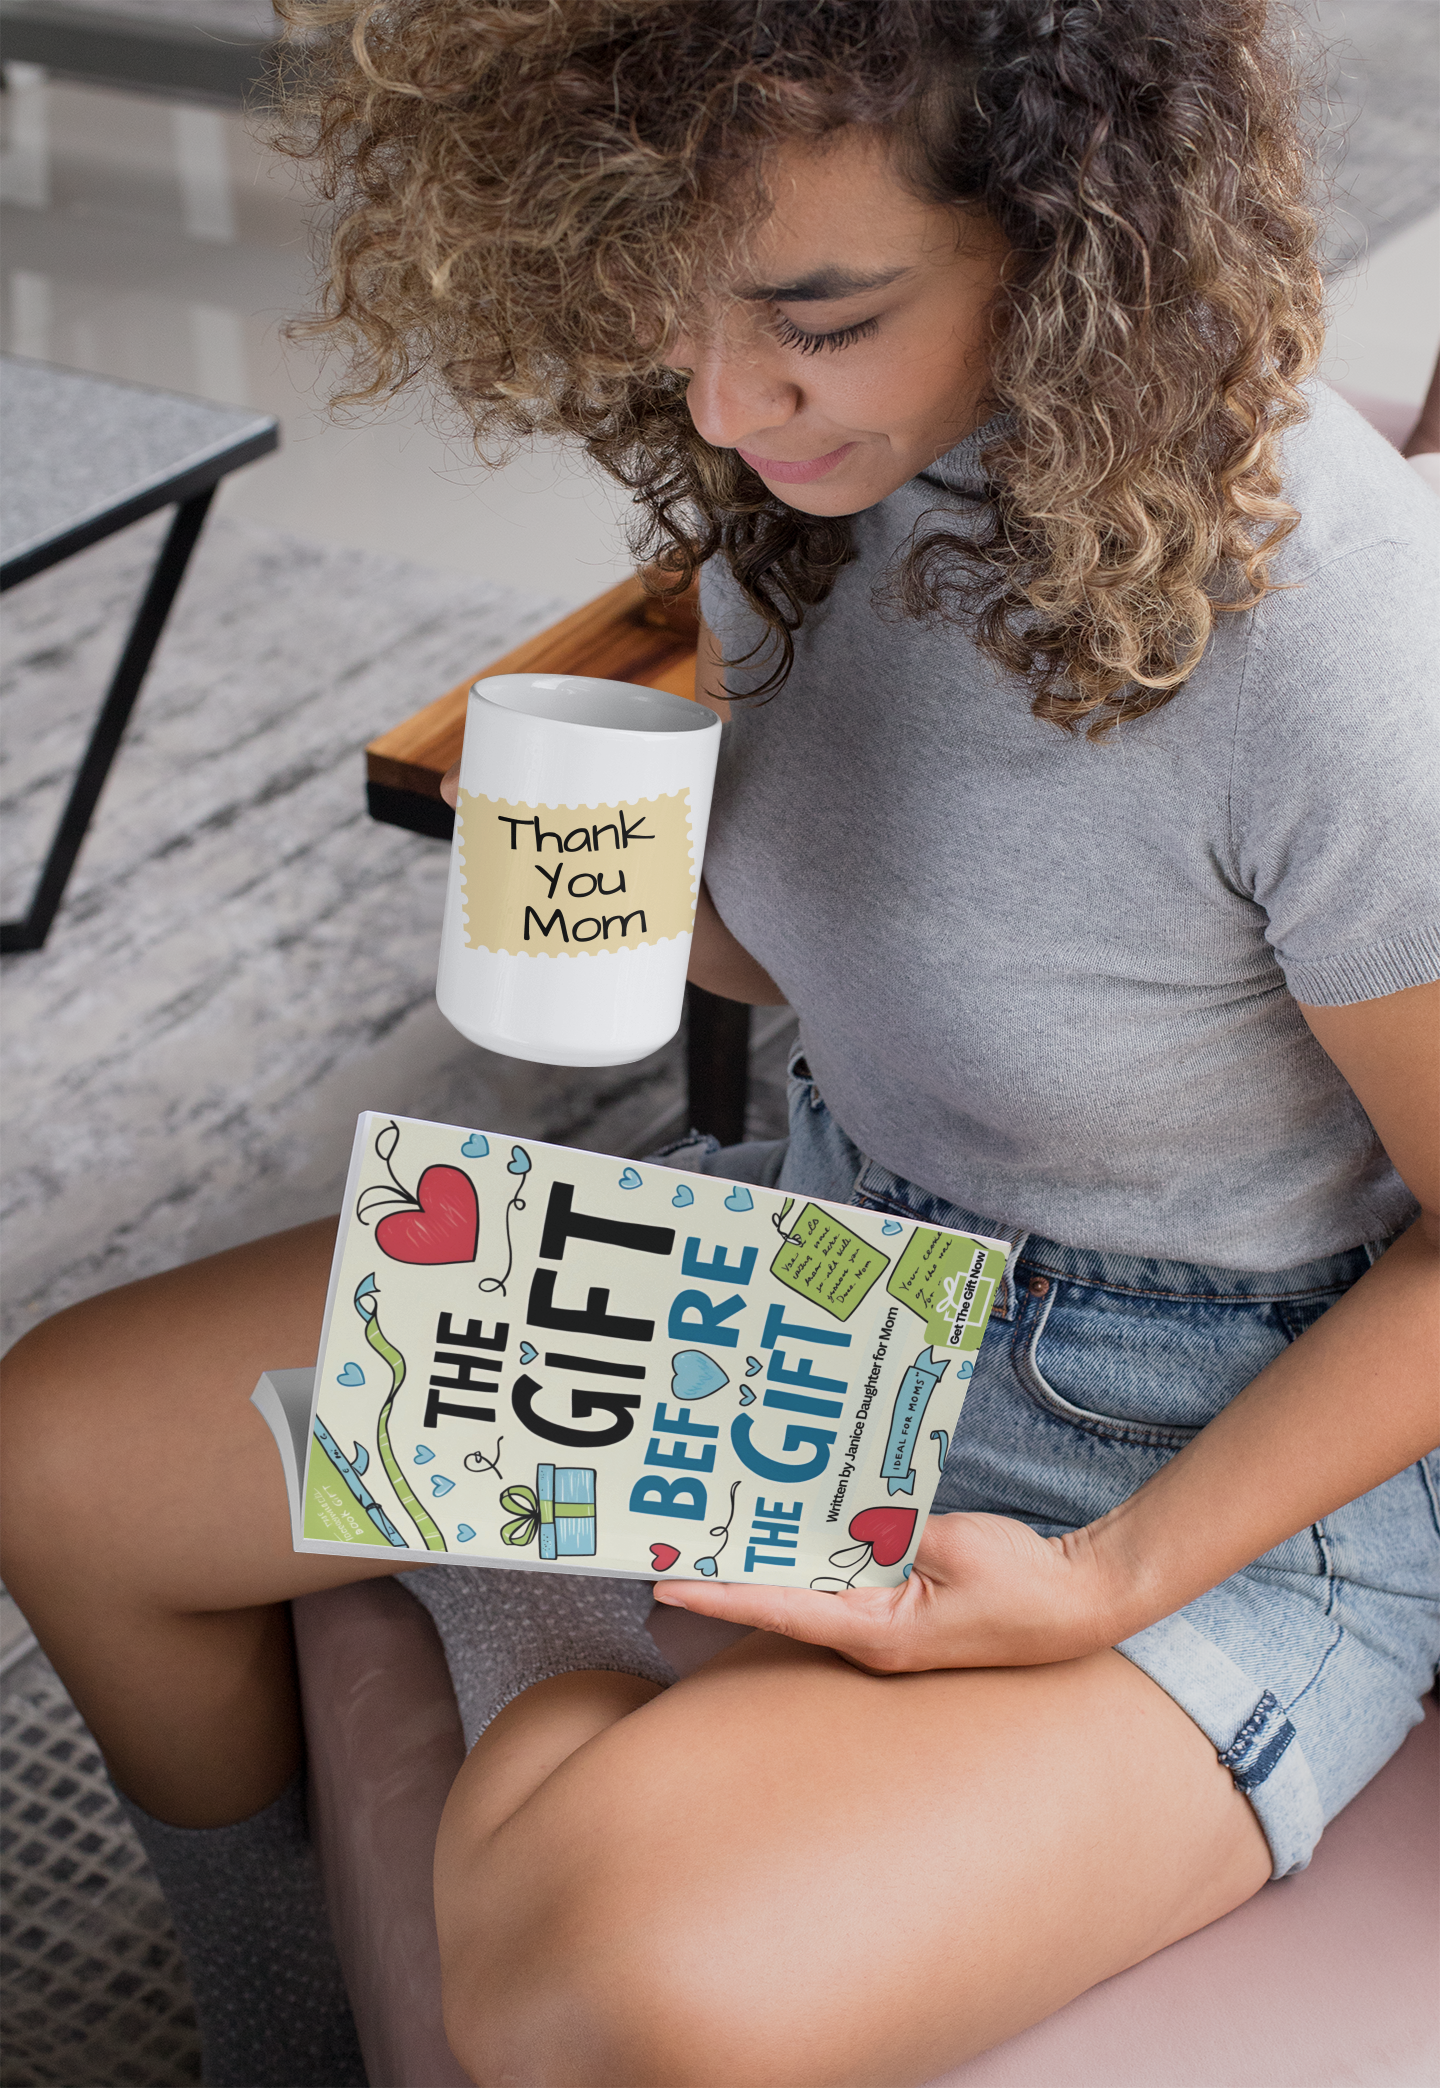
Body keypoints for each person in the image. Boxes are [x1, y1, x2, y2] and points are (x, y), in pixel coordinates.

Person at [4, 4, 1437, 2084]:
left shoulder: (1322, 632)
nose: (721, 388)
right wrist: (615, 898)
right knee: (63, 1455)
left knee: (604, 1974)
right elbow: (853, 962)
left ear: (1076, 237)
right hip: (836, 1284)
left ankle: (549, 1635)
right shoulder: (807, 479)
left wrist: (1099, 1579)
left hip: (1194, 1432)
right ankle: (283, 2046)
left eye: (818, 316)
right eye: (673, 300)